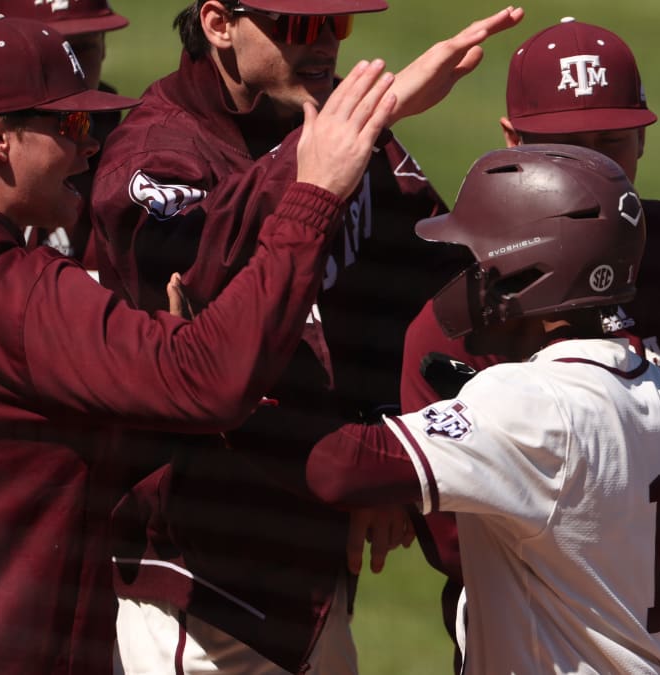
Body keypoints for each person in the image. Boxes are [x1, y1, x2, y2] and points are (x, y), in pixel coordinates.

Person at [89, 1, 524, 673]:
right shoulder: (151, 155)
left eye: (338, 24)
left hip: (311, 577)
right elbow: (192, 265)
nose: (323, 42)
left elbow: (434, 278)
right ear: (218, 23)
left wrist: (398, 455)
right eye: (297, 24)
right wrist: (362, 120)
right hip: (196, 588)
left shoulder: (332, 124)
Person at [0, 16, 397, 675]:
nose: (90, 152)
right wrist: (312, 195)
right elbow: (208, 378)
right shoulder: (9, 294)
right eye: (71, 128)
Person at [305, 143, 660, 674]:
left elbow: (336, 468)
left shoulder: (527, 404)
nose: (465, 279)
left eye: (478, 262)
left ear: (523, 277)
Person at [399, 17, 660, 672]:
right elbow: (455, 545)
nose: (593, 163)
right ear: (511, 142)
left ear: (643, 138)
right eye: (564, 146)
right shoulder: (466, 309)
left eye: (611, 141)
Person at [0, 0, 129, 272]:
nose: (68, 67)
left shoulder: (135, 165)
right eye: (42, 51)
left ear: (104, 47)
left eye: (80, 48)